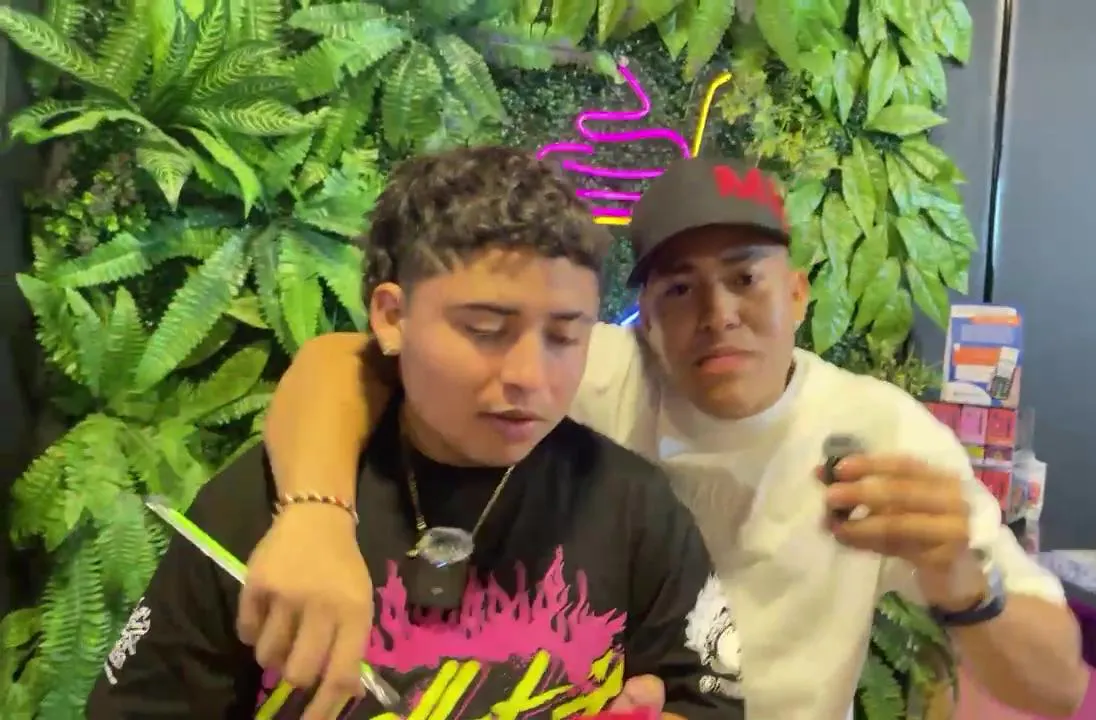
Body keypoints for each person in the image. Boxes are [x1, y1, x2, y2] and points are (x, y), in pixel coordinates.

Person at [243, 156, 1089, 718]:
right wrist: (314, 516)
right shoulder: (586, 370)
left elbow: (1057, 688)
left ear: (797, 293)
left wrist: (959, 578)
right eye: (680, 289)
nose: (718, 314)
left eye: (746, 279)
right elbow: (342, 363)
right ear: (642, 317)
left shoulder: (879, 430)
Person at [87, 148, 744, 720]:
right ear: (392, 316)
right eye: (485, 330)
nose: (530, 376)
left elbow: (708, 698)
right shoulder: (264, 506)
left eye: (565, 336)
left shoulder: (633, 508)